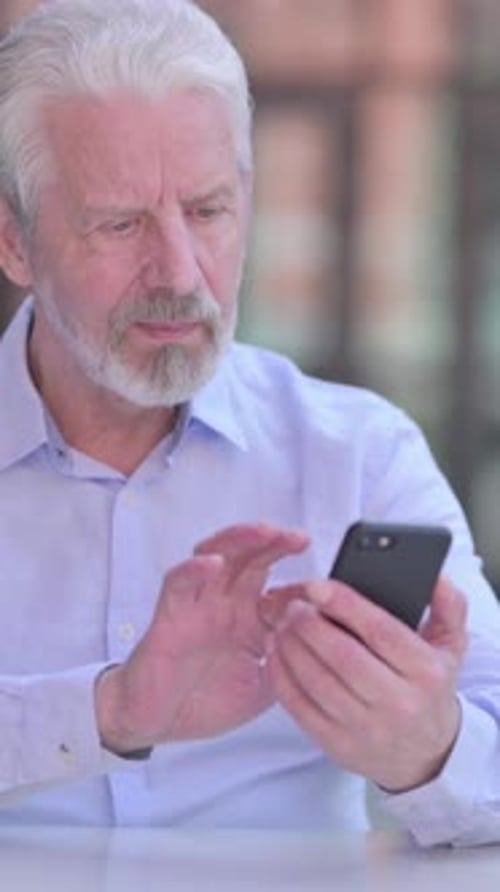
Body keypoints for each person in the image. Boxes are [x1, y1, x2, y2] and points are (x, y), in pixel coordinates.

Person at [0, 0, 499, 846]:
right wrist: (109, 712)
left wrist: (429, 749)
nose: (179, 274)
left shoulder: (359, 455)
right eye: (120, 223)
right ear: (14, 241)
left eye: (208, 211)